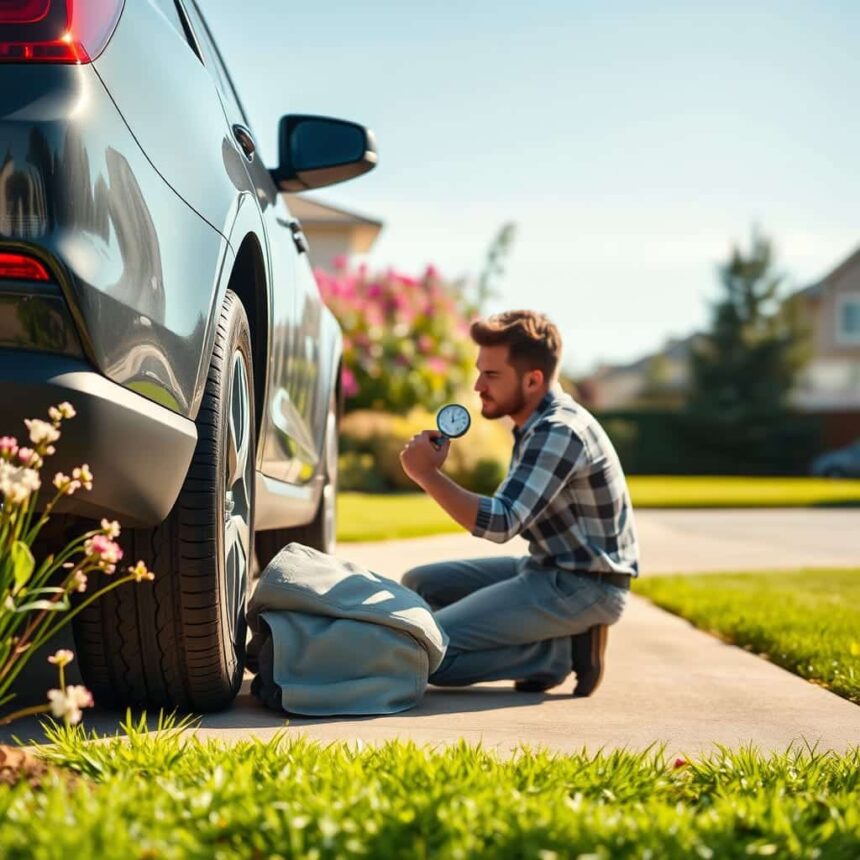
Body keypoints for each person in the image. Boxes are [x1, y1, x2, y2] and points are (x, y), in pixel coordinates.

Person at [399, 310, 639, 696]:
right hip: (545, 566)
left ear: (533, 380)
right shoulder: (533, 425)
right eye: (480, 371)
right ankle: (541, 642)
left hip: (588, 584)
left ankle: (557, 653)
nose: (478, 385)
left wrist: (426, 475)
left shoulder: (559, 431)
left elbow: (501, 523)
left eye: (491, 375)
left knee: (430, 653)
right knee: (420, 583)